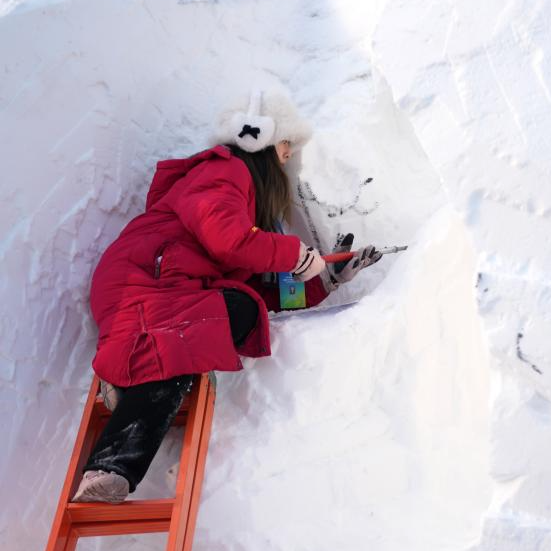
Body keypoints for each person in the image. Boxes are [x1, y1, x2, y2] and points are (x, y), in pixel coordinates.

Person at [73, 91, 382, 503]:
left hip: (167, 290)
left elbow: (256, 290)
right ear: (263, 142)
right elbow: (227, 239)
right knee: (214, 323)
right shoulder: (224, 171)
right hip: (146, 282)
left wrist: (326, 280)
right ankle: (108, 465)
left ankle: (120, 424)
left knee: (236, 311)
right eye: (286, 144)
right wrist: (294, 253)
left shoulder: (246, 210)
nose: (289, 156)